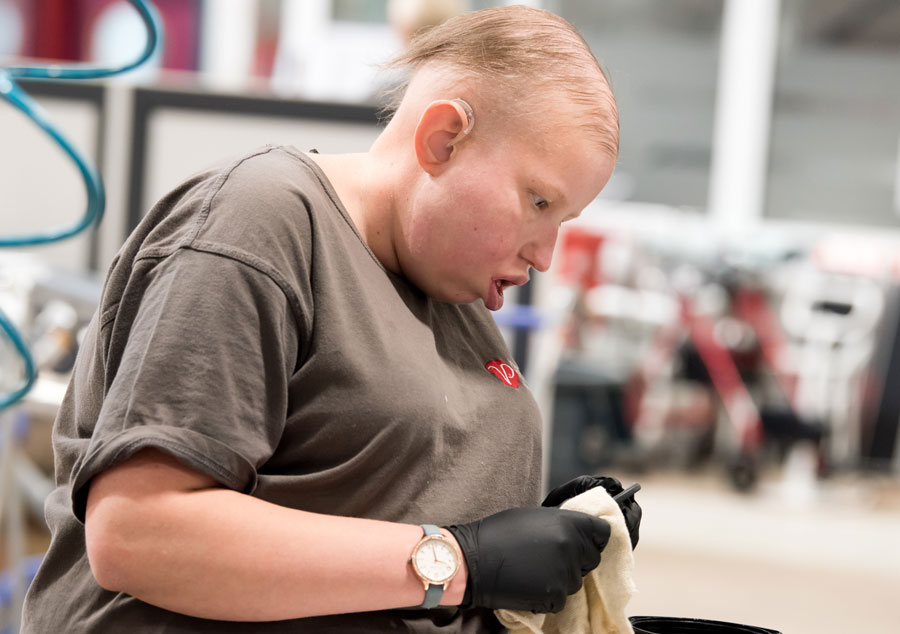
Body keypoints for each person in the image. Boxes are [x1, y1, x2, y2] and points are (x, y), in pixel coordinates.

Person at [21, 6, 639, 633]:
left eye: (562, 220)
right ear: (442, 140)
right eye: (537, 201)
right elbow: (140, 536)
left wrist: (550, 542)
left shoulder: (450, 291)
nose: (544, 254)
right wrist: (459, 562)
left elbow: (393, 501)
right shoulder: (262, 225)